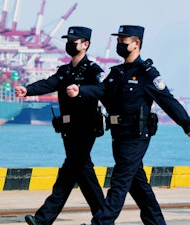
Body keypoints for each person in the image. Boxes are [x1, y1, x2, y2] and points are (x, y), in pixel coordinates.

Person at [66, 25, 190, 225]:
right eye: (118, 41)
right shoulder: (117, 72)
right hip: (118, 135)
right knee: (137, 184)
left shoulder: (147, 73)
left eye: (123, 42)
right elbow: (101, 90)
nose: (119, 45)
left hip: (136, 136)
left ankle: (101, 222)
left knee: (119, 181)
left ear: (136, 44)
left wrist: (187, 124)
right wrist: (80, 90)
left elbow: (167, 100)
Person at [15, 26, 105, 225]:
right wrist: (27, 90)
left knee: (69, 171)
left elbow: (102, 89)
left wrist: (81, 90)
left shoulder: (93, 70)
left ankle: (43, 219)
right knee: (82, 172)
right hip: (68, 129)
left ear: (85, 45)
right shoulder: (64, 71)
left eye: (74, 41)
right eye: (68, 41)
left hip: (86, 128)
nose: (69, 44)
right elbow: (49, 83)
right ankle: (103, 217)